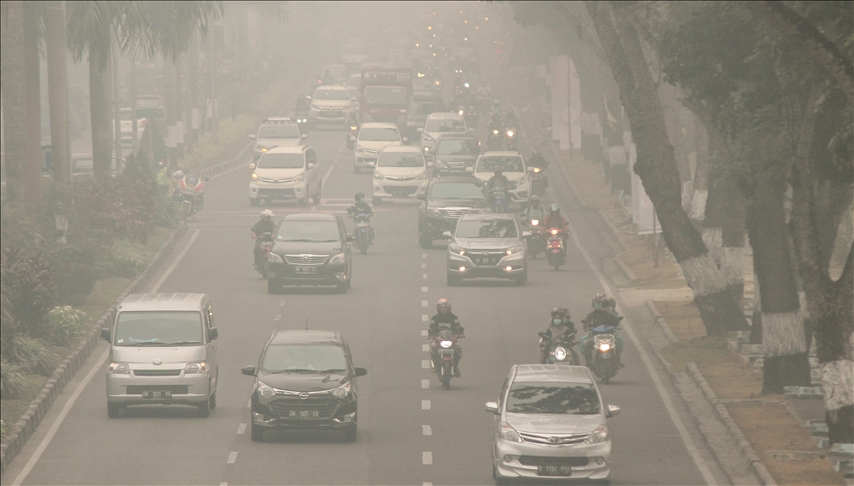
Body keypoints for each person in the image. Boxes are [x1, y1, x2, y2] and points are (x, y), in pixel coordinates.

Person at [580, 293, 625, 367]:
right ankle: (588, 362)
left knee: (619, 341)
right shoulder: (591, 315)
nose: (598, 305)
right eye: (597, 303)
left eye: (600, 303)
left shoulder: (610, 315)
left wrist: (614, 318)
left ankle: (617, 359)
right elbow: (586, 325)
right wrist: (587, 326)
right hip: (595, 336)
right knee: (585, 343)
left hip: (609, 336)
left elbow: (615, 322)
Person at [428, 298, 465, 377]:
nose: (444, 309)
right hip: (439, 339)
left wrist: (460, 333)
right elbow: (432, 327)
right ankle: (435, 366)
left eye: (445, 307)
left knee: (458, 349)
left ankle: (456, 367)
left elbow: (457, 326)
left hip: (451, 339)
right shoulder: (435, 318)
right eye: (442, 307)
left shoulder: (453, 317)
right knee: (432, 347)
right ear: (439, 308)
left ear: (448, 308)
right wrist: (431, 334)